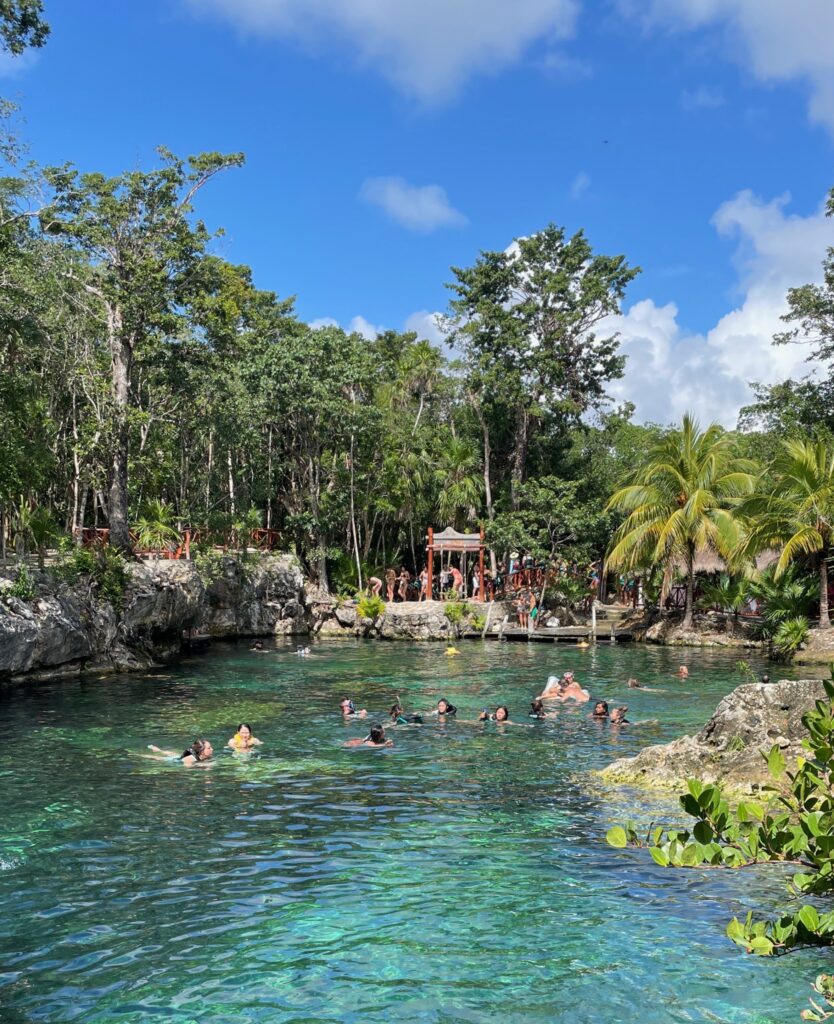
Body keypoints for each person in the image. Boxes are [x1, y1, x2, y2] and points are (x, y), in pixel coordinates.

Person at [146, 738, 213, 766]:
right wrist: (200, 765)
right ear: (201, 751)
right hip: (173, 761)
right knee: (158, 758)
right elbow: (186, 768)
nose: (212, 749)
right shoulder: (190, 759)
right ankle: (137, 755)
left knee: (174, 754)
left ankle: (158, 750)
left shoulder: (206, 756)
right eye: (209, 748)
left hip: (179, 757)